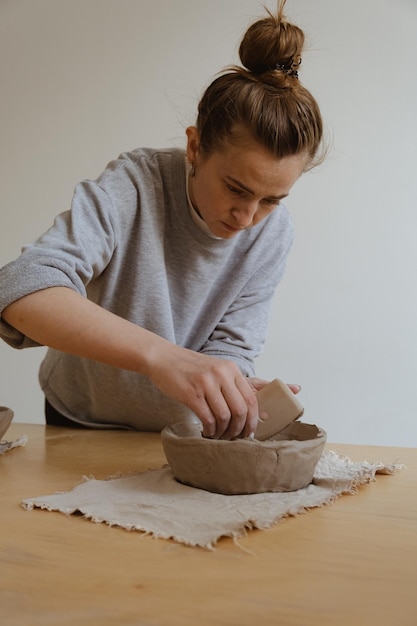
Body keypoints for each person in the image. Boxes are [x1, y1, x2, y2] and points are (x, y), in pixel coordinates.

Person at [0, 1, 324, 440]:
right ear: (195, 147)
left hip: (177, 433)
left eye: (272, 200)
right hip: (80, 417)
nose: (248, 217)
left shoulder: (273, 233)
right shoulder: (135, 184)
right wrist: (161, 357)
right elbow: (20, 288)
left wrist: (232, 386)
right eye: (236, 188)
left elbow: (231, 349)